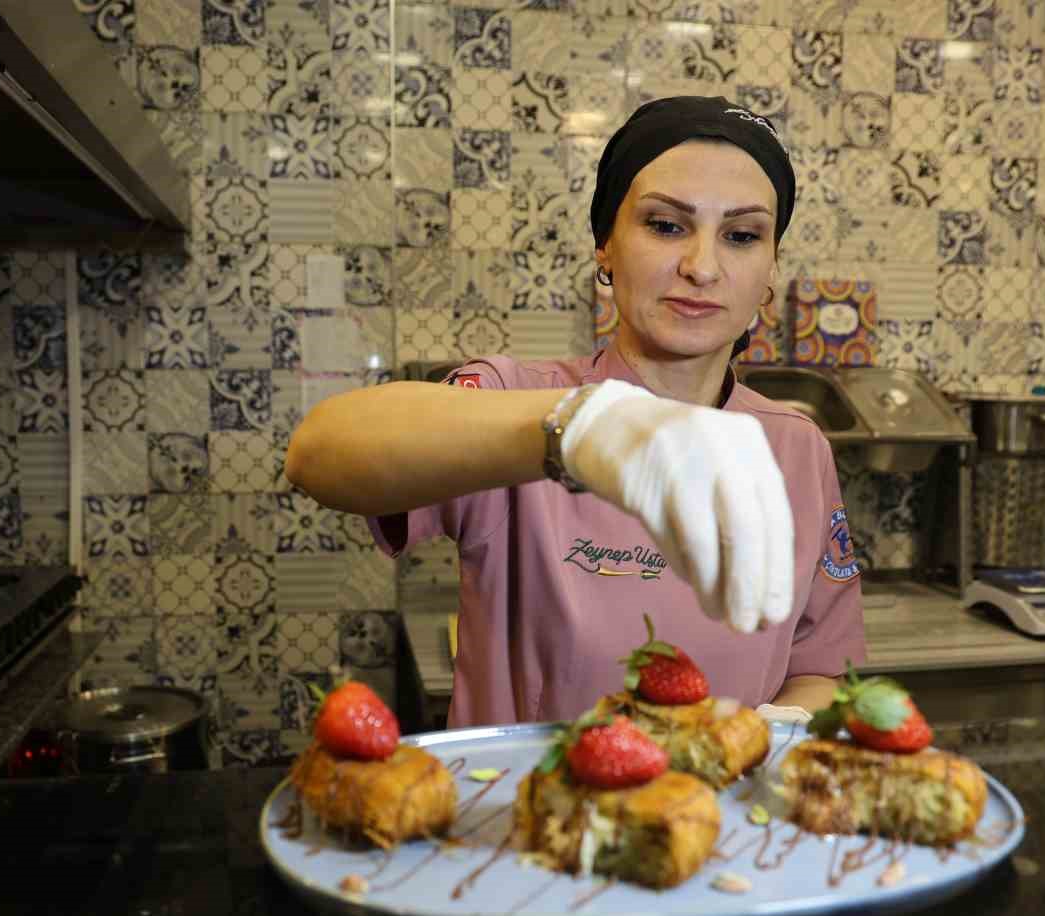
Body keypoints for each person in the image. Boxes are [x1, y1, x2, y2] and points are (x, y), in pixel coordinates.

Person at [286, 96, 866, 728]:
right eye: (666, 226)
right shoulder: (520, 399)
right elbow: (318, 453)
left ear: (770, 271)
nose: (702, 267)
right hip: (531, 819)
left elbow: (820, 668)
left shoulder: (798, 447)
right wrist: (582, 428)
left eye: (742, 235)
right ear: (605, 249)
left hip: (722, 820)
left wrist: (784, 728)